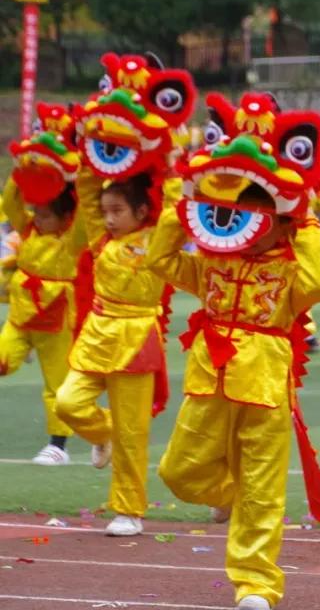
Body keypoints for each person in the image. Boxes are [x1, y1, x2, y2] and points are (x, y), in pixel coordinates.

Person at [148, 183, 320, 610]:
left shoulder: (292, 271)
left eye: (264, 220)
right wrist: (185, 203)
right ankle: (228, 496)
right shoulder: (211, 261)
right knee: (179, 472)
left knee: (263, 490)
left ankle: (255, 585)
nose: (251, 228)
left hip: (266, 386)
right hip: (208, 382)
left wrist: (307, 222)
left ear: (284, 224)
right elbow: (160, 259)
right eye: (242, 217)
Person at [55, 171, 167, 537]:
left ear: (141, 211)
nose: (108, 219)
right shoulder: (101, 239)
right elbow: (87, 195)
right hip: (98, 333)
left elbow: (176, 209)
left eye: (117, 211)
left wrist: (168, 164)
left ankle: (129, 510)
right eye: (105, 211)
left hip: (137, 337)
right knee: (68, 403)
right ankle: (103, 434)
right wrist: (91, 161)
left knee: (133, 432)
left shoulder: (158, 239)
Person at [0, 178, 84, 465]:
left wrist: (80, 182)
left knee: (57, 385)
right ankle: (25, 351)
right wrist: (22, 171)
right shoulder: (28, 228)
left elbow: (86, 216)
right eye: (36, 211)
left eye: (46, 215)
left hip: (56, 321)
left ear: (65, 216)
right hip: (21, 316)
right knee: (2, 360)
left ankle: (58, 446)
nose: (37, 217)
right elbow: (11, 203)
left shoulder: (73, 239)